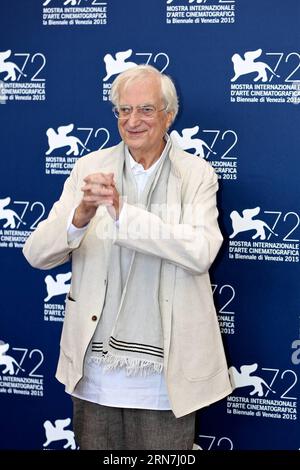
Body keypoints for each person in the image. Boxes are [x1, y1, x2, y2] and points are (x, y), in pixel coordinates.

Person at [23, 65, 232, 450]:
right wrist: (79, 217)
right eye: (123, 110)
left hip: (165, 377)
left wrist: (123, 214)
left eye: (146, 110)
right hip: (94, 372)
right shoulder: (89, 168)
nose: (132, 121)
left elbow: (201, 252)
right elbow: (36, 253)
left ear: (169, 115)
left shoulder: (196, 174)